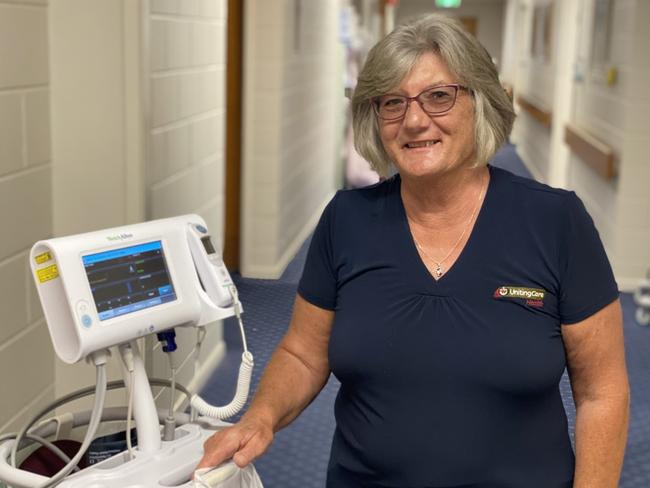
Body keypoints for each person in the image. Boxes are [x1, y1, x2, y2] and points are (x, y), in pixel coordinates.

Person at [197, 14, 629, 487]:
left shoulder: (556, 222)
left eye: (439, 96)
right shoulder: (346, 219)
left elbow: (601, 392)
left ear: (480, 102)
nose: (415, 120)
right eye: (392, 103)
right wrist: (261, 416)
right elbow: (304, 353)